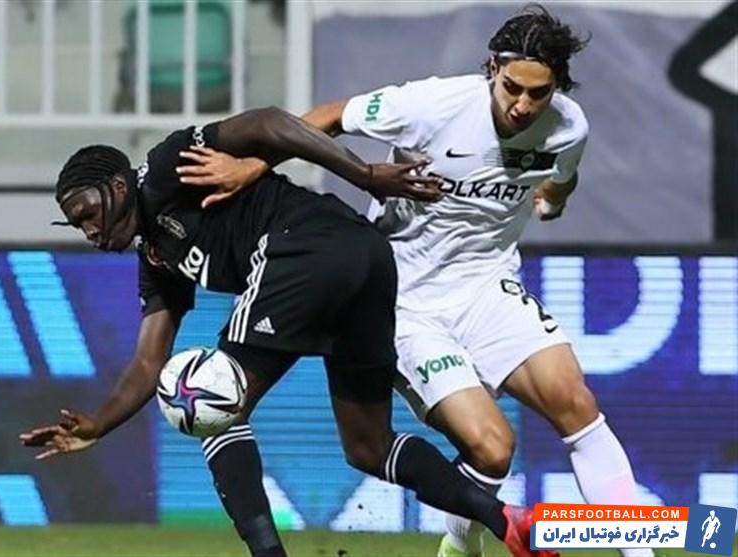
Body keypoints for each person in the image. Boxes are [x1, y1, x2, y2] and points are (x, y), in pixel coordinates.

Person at [177, 5, 651, 557]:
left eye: (538, 94)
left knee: (576, 402)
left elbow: (561, 179)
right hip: (404, 299)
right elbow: (332, 115)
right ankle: (460, 545)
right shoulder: (432, 105)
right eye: (512, 88)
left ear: (557, 88)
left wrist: (552, 201)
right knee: (493, 450)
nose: (522, 105)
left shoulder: (569, 127)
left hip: (487, 286)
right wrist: (255, 166)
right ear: (491, 69)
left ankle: (639, 550)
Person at [19, 106, 558, 557]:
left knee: (209, 399)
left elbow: (271, 123)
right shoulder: (157, 258)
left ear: (118, 187)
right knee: (368, 447)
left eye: (87, 213)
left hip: (304, 246)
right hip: (366, 260)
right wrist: (99, 425)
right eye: (78, 224)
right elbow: (146, 362)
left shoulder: (165, 168)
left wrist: (364, 175)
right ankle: (506, 520)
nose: (88, 231)